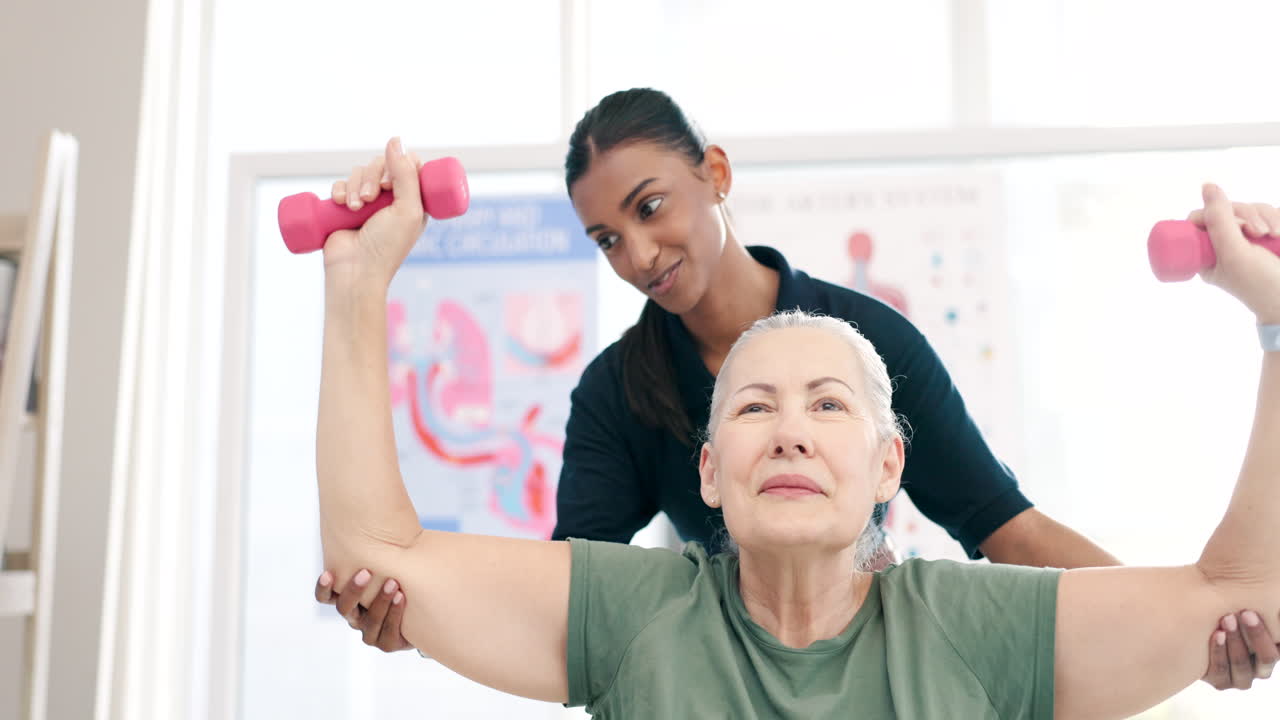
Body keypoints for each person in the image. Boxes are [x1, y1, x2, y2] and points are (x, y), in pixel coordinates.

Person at [314, 90, 1276, 687]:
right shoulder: (617, 401)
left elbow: (1008, 530)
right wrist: (435, 616)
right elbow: (565, 594)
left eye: (651, 210)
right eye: (608, 239)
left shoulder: (879, 355)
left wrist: (1168, 626)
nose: (639, 254)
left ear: (887, 458)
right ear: (705, 467)